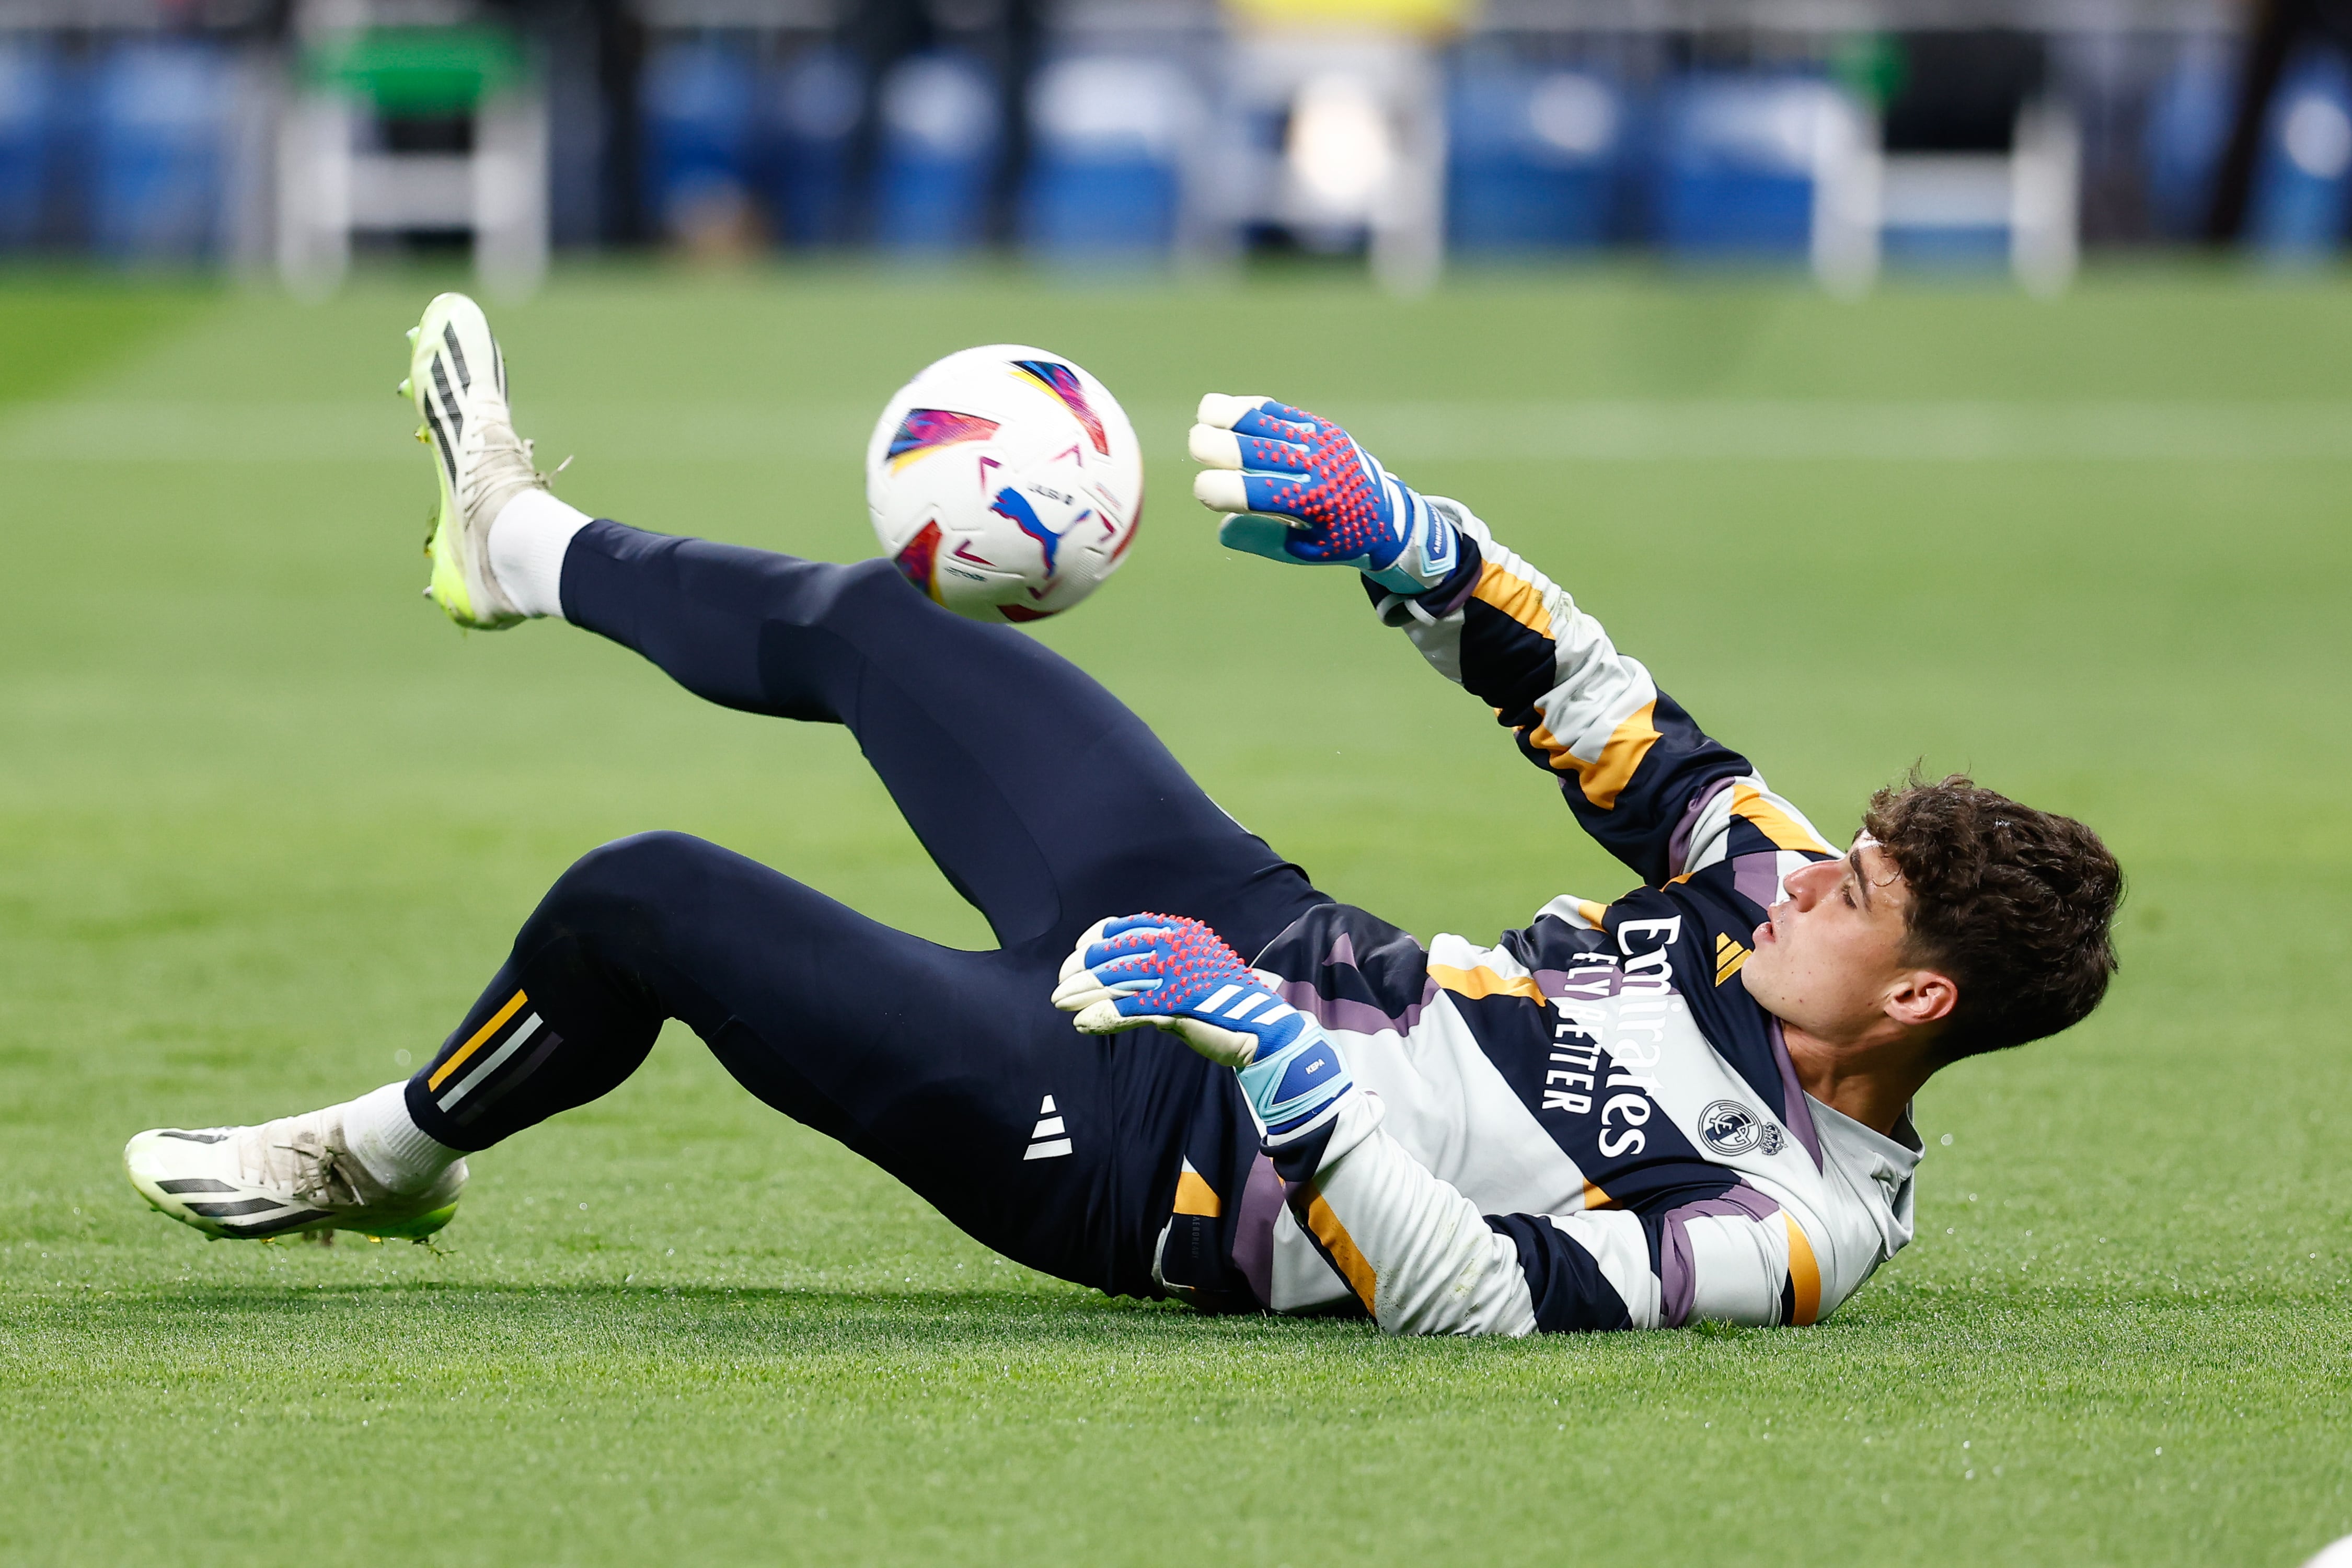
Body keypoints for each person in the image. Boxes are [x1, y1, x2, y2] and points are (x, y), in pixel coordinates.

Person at [123, 294, 2123, 1336]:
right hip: (1254, 929)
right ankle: (522, 540)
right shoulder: (1764, 889)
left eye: (1852, 892)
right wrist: (1407, 540)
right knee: (873, 627)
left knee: (648, 901)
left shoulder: (1788, 1228)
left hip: (1158, 1147)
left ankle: (381, 1158)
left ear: (1921, 1000)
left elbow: (1480, 1297)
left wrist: (1274, 1071)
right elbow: (1600, 717)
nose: (1799, 878)